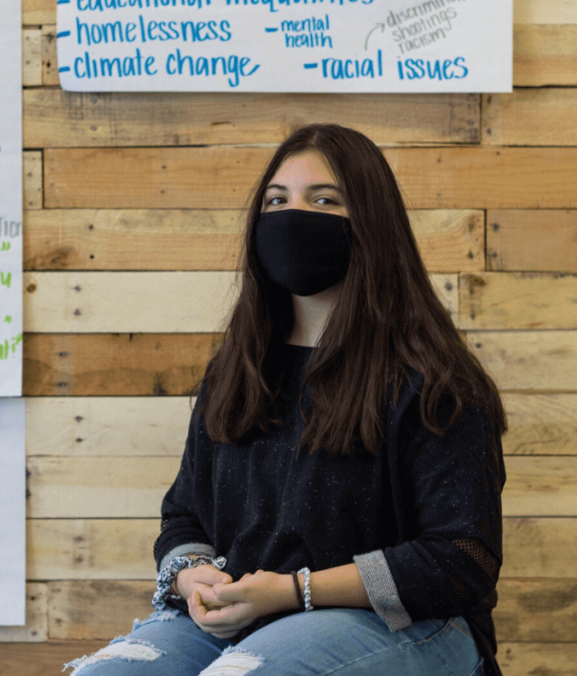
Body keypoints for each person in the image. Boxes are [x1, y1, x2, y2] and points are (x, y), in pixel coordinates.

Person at [65, 124, 507, 676]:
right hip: (249, 621)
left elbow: (462, 559)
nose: (293, 216)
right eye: (276, 200)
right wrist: (192, 577)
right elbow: (183, 517)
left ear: (370, 221)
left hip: (416, 625)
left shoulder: (435, 381)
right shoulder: (236, 370)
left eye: (324, 199)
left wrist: (294, 591)